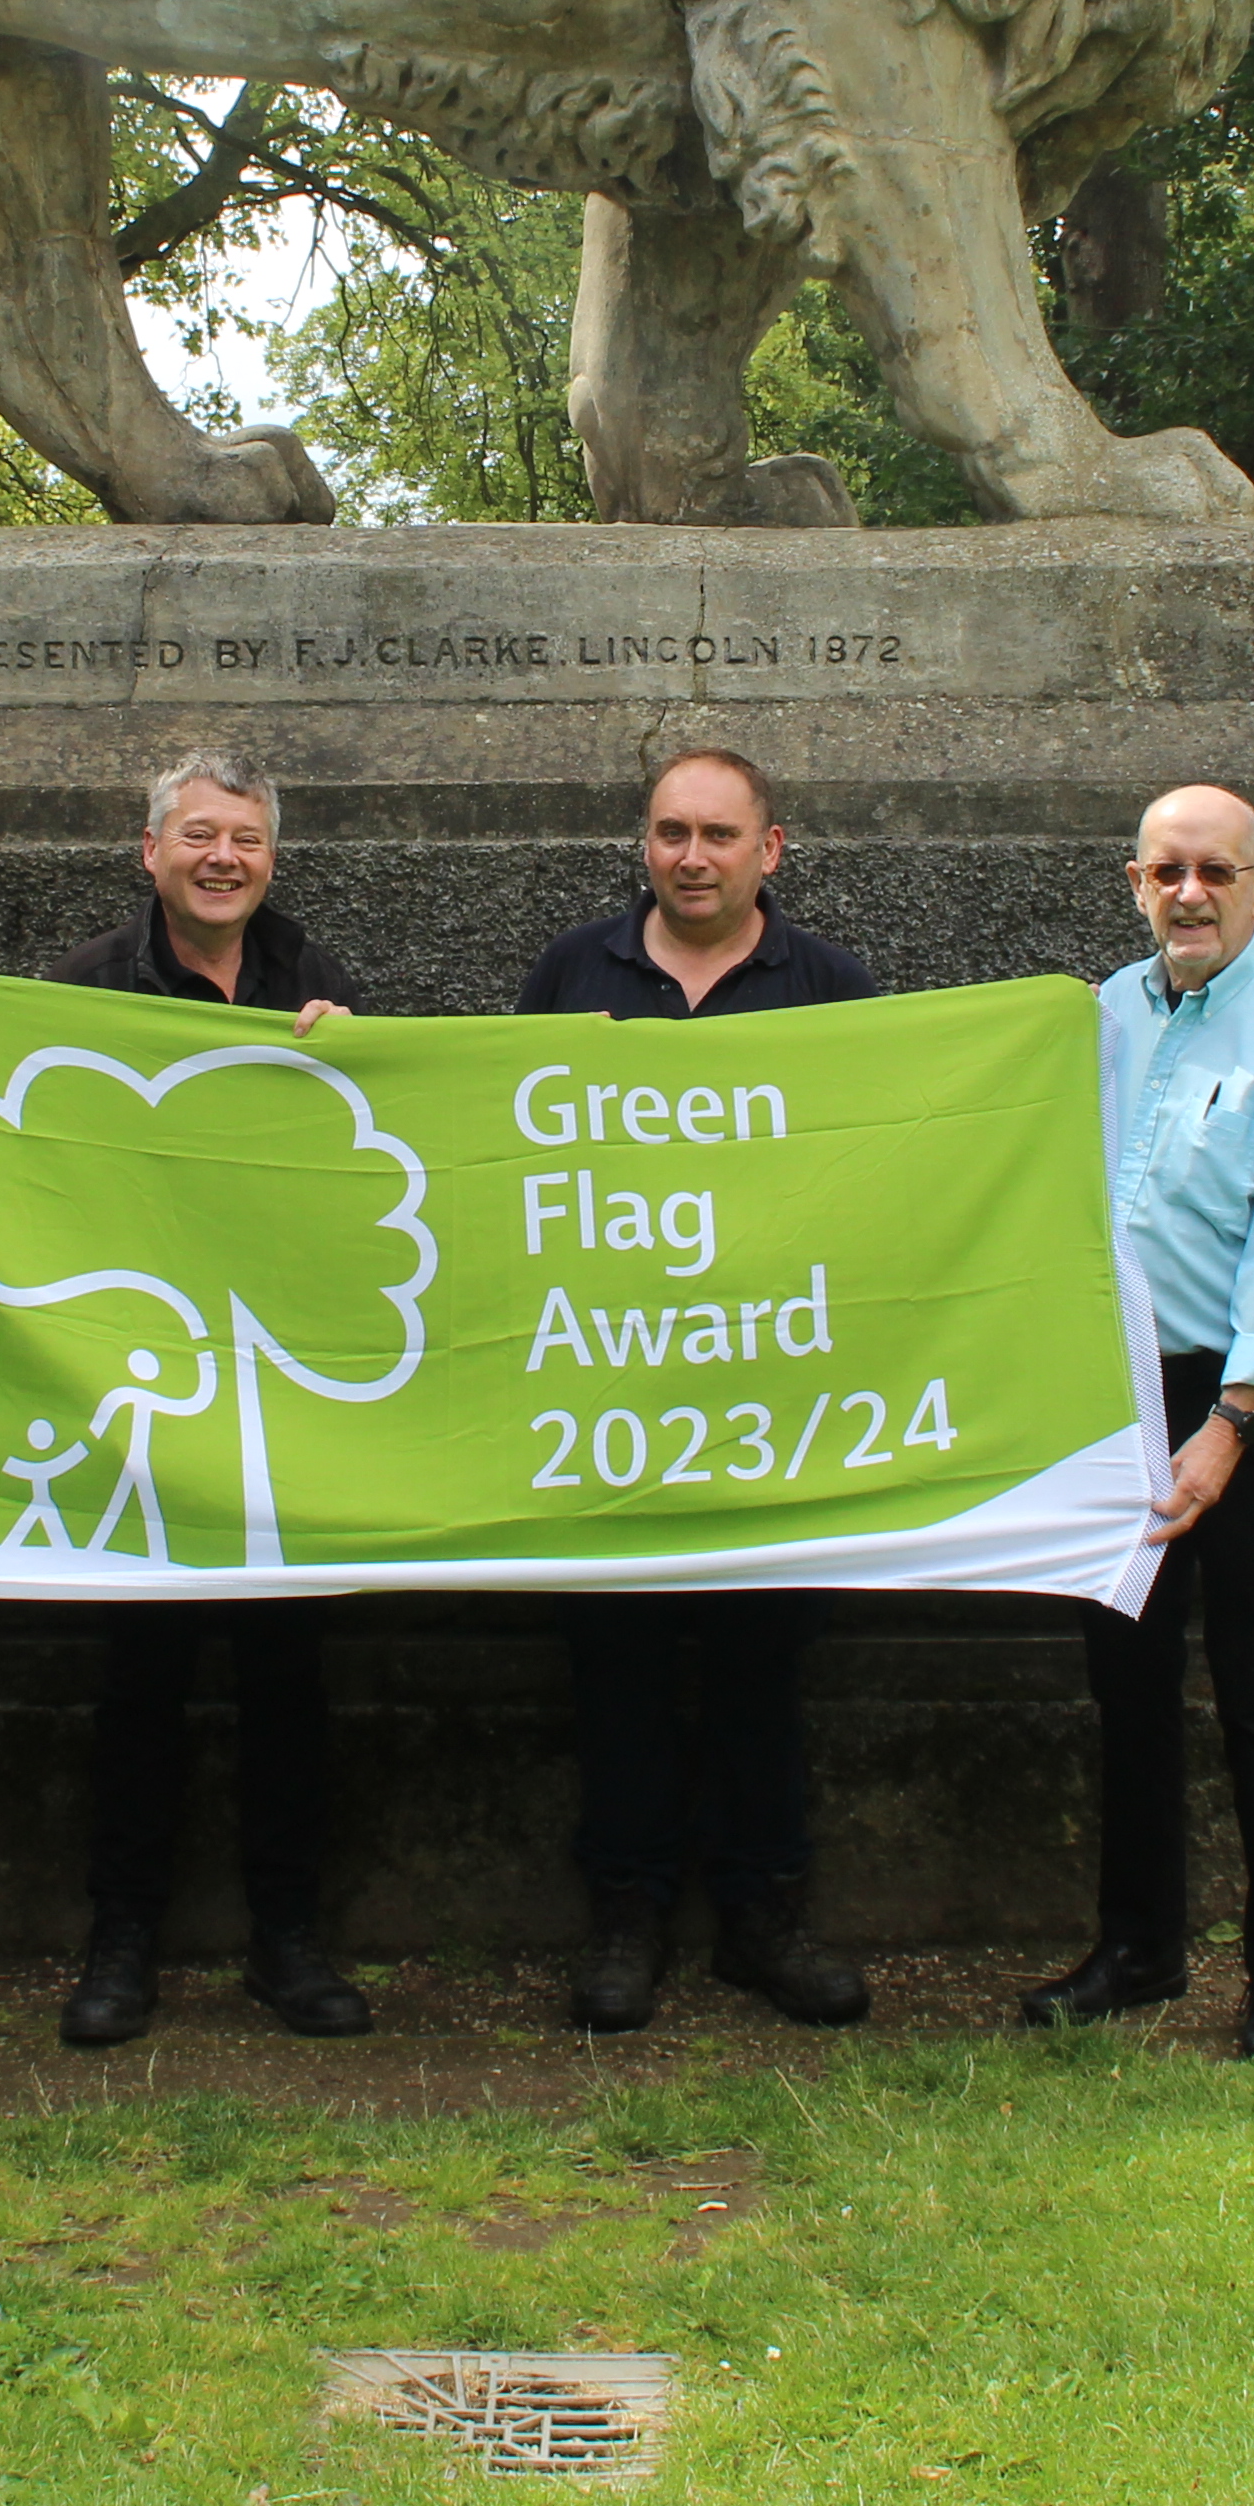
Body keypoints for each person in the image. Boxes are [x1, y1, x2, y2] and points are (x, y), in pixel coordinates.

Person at [511, 745, 880, 2034]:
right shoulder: (572, 973)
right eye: (670, 831)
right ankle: (626, 1924)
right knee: (614, 1671)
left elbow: (882, 1173)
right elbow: (504, 1149)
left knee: (761, 1673)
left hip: (775, 1397)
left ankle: (765, 1920)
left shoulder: (831, 987)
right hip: (608, 1389)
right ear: (645, 845)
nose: (692, 856)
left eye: (720, 835)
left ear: (769, 850)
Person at [40, 750, 379, 2048]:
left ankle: (288, 1943)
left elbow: (383, 1154)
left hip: (282, 1391)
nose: (220, 857)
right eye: (196, 836)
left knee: (287, 1680)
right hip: (136, 1385)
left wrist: (363, 1064)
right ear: (150, 853)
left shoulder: (322, 983)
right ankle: (121, 1942)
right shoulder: (78, 988)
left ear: (270, 860)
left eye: (242, 838)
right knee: (140, 1677)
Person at [1021, 781, 1254, 2059]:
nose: (1191, 894)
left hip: (1240, 1395)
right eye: (1169, 871)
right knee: (1127, 1680)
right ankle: (1139, 1947)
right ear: (1133, 881)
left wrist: (1229, 1424)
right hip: (1114, 1393)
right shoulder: (1096, 1018)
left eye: (1218, 872)